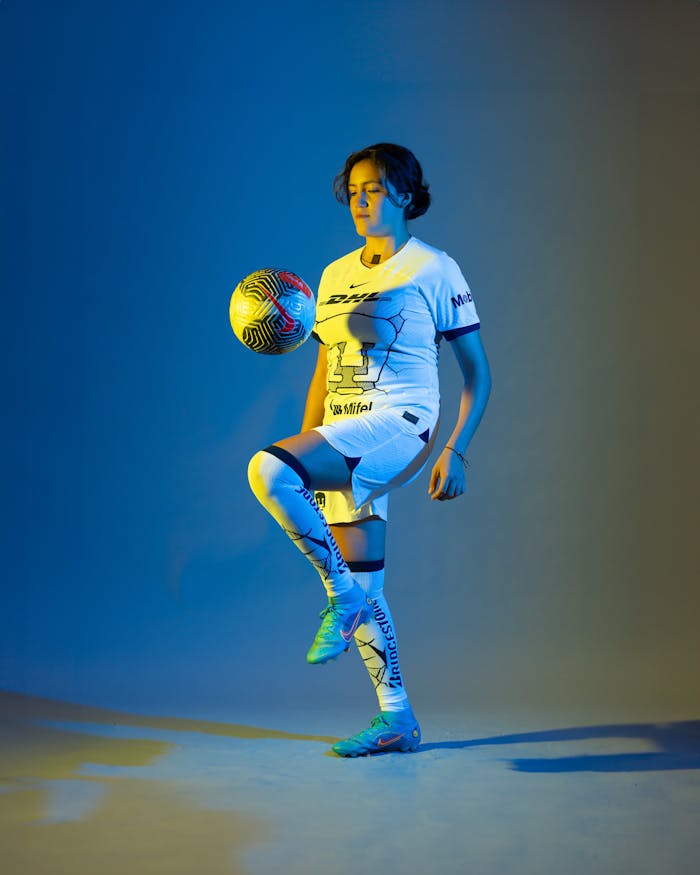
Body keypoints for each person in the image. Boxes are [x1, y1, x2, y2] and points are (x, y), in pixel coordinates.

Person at [248, 143, 491, 757]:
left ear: (406, 194)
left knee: (265, 470)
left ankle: (340, 599)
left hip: (401, 425)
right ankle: (398, 719)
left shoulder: (435, 268)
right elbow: (325, 370)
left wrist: (455, 450)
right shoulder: (331, 276)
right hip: (343, 431)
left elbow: (478, 374)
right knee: (368, 583)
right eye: (353, 189)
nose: (360, 199)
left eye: (375, 188)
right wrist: (307, 450)